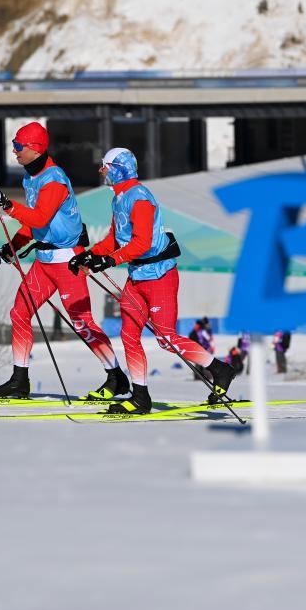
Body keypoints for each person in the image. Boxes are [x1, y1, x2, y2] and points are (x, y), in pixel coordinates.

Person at [69, 147, 236, 414]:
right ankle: (140, 397)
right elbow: (115, 238)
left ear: (119, 170)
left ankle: (220, 369)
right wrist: (89, 255)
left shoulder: (139, 198)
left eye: (105, 166)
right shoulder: (119, 198)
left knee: (166, 339)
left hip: (159, 276)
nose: (101, 170)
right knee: (129, 335)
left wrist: (109, 261)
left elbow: (142, 243)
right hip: (137, 277)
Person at [0, 122, 125, 400]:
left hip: (67, 261)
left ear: (35, 149)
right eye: (14, 145)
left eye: (18, 146)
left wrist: (6, 204)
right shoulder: (31, 177)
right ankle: (19, 380)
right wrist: (14, 246)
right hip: (44, 260)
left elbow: (40, 218)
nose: (14, 151)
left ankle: (116, 377)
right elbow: (34, 225)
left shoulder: (54, 179)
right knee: (19, 313)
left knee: (81, 323)